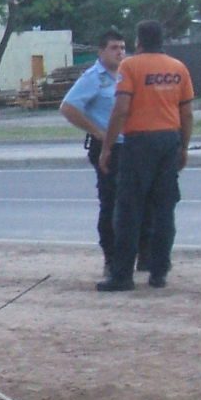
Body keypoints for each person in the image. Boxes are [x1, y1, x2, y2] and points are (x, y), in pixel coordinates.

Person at [98, 19, 194, 292]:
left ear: (138, 41)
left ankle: (122, 275)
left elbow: (121, 109)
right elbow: (187, 112)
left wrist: (107, 146)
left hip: (139, 142)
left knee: (129, 210)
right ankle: (159, 271)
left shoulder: (131, 66)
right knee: (164, 209)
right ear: (162, 40)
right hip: (169, 140)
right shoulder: (178, 68)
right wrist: (183, 146)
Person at [60, 29, 148, 277]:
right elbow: (68, 107)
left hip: (132, 147)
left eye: (122, 47)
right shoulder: (93, 78)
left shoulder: (128, 74)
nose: (120, 52)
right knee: (111, 204)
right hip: (109, 149)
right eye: (114, 48)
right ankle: (111, 259)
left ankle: (141, 254)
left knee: (137, 203)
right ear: (101, 51)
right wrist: (99, 132)